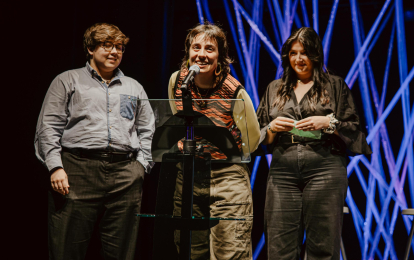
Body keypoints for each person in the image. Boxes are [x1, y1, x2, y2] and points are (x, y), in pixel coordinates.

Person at [35, 22, 155, 260]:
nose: (114, 52)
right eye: (107, 45)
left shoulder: (133, 86)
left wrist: (141, 166)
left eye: (119, 47)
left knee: (121, 251)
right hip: (78, 171)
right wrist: (56, 167)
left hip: (125, 174)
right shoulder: (68, 80)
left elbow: (147, 129)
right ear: (90, 48)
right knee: (66, 249)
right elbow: (48, 127)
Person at [256, 27, 372, 259]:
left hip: (325, 166)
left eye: (305, 53)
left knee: (322, 244)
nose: (299, 59)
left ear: (316, 55)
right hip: (283, 170)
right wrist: (271, 128)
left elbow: (354, 131)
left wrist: (328, 123)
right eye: (293, 53)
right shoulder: (274, 89)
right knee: (279, 246)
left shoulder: (335, 85)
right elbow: (257, 137)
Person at [168, 23, 260, 259]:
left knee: (230, 252)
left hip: (226, 178)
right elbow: (176, 118)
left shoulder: (233, 90)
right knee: (189, 252)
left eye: (210, 49)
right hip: (188, 176)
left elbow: (252, 139)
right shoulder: (177, 81)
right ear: (188, 52)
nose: (201, 54)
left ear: (220, 56)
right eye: (196, 47)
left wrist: (227, 152)